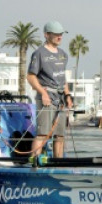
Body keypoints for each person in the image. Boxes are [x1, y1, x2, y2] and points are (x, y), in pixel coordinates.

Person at [27, 21, 73, 157]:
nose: (60, 37)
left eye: (61, 34)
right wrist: (43, 93)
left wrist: (68, 95)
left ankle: (58, 165)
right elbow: (30, 77)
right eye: (56, 35)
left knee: (60, 136)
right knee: (42, 134)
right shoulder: (39, 53)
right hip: (46, 98)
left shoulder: (63, 55)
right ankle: (34, 162)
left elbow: (62, 77)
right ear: (46, 35)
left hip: (60, 100)